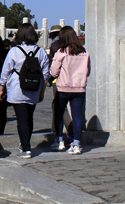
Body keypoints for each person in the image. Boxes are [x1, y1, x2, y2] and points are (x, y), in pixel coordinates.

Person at [0, 24, 50, 158]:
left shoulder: (14, 51)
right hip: (33, 89)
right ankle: (25, 143)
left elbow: (6, 71)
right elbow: (45, 74)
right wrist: (42, 91)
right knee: (29, 118)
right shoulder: (41, 52)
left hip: (17, 88)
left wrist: (1, 88)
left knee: (21, 119)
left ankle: (26, 148)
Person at [50, 26, 90, 155]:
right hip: (79, 88)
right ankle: (76, 144)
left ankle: (59, 140)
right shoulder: (84, 52)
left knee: (59, 114)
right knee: (77, 116)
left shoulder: (61, 52)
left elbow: (54, 71)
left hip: (63, 88)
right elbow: (88, 71)